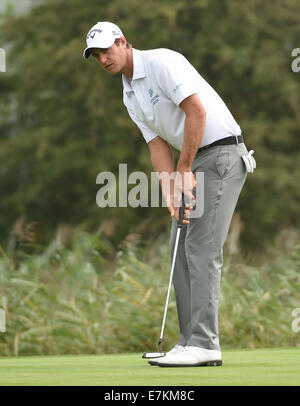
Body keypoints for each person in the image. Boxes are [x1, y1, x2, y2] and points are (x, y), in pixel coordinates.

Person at [83, 21, 255, 367]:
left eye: (107, 50)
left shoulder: (162, 62)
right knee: (180, 243)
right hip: (197, 159)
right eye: (97, 55)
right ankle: (189, 341)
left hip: (221, 153)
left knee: (201, 247)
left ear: (123, 42)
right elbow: (157, 146)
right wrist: (169, 191)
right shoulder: (128, 92)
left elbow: (197, 112)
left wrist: (185, 169)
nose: (103, 59)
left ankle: (206, 343)